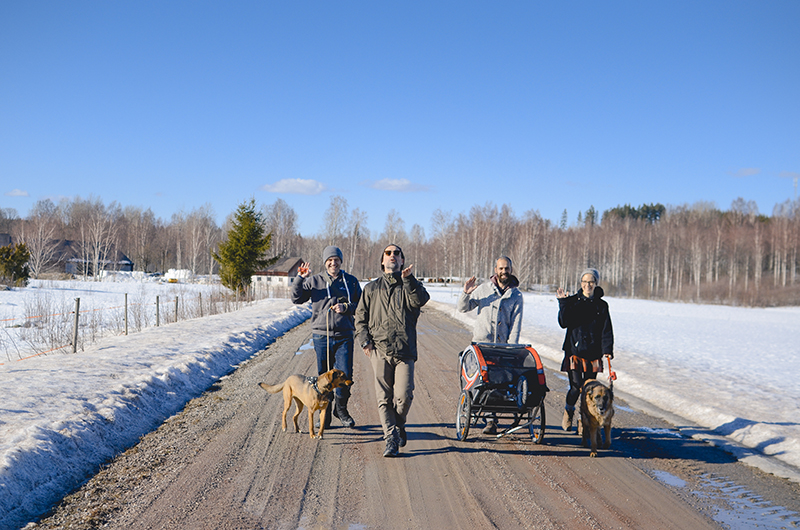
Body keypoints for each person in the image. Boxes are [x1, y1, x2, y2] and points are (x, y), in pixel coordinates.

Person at [355, 243, 430, 457]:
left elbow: (421, 300)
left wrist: (409, 280)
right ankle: (391, 439)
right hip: (379, 350)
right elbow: (360, 319)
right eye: (388, 253)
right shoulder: (371, 289)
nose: (392, 256)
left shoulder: (410, 285)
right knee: (383, 398)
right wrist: (365, 342)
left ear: (402, 260)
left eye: (397, 253)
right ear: (382, 260)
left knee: (404, 396)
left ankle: (398, 426)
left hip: (405, 350)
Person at [291, 245, 362, 429]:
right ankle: (326, 415)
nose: (333, 263)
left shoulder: (352, 282)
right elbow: (297, 298)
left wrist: (347, 308)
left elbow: (362, 306)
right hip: (322, 336)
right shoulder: (314, 281)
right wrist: (300, 278)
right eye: (329, 260)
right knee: (324, 379)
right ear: (325, 263)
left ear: (341, 261)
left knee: (345, 375)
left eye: (336, 259)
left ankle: (341, 410)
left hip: (345, 335)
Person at [457, 255, 523, 434]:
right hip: (482, 346)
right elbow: (463, 308)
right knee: (484, 382)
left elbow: (516, 324)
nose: (504, 272)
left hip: (502, 348)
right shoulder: (484, 289)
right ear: (495, 270)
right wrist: (466, 293)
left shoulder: (516, 295)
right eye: (501, 268)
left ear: (511, 269)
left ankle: (501, 416)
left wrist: (511, 348)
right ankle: (490, 420)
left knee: (501, 382)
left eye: (507, 268)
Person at [556, 268, 614, 432]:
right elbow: (563, 322)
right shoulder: (573, 301)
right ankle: (569, 411)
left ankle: (583, 419)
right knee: (576, 387)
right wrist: (563, 303)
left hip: (593, 353)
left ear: (596, 284)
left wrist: (607, 349)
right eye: (585, 281)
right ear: (580, 283)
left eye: (591, 282)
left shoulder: (602, 306)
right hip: (574, 352)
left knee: (589, 390)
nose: (587, 285)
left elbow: (606, 329)